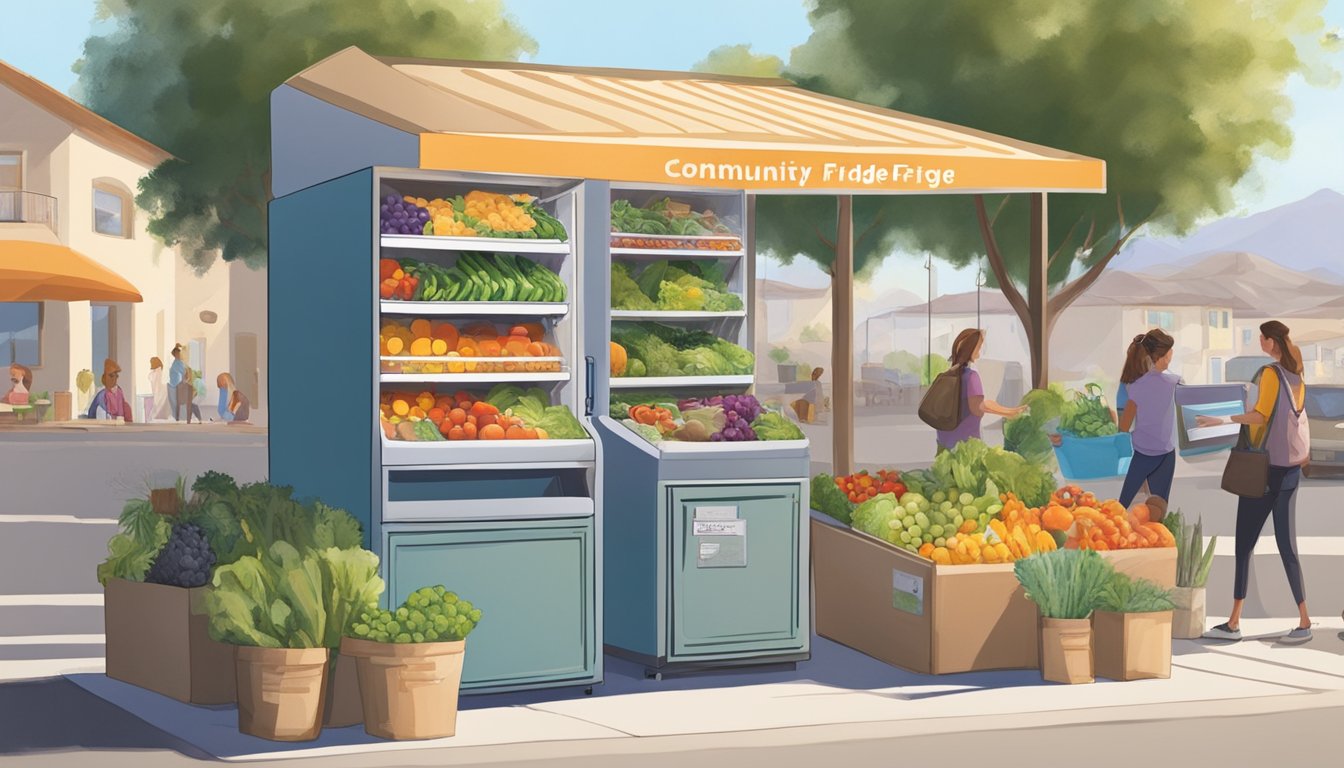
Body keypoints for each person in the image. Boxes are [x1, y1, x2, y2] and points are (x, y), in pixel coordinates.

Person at [1198, 320, 1311, 641]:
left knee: (1244, 544)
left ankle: (1233, 622)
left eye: (1262, 338)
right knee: (1288, 546)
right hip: (1289, 469)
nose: (1260, 341)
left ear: (1270, 341)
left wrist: (1220, 419)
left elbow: (1261, 415)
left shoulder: (1272, 374)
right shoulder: (1296, 374)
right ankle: (1304, 621)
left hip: (1264, 470)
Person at [1115, 329, 1181, 507]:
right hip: (1166, 452)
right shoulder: (1175, 382)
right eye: (1169, 353)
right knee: (1159, 506)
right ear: (1163, 356)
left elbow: (1124, 425)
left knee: (1124, 504)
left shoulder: (1133, 386)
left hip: (1143, 451)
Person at [935, 328, 1026, 451]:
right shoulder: (971, 377)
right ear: (970, 349)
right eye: (978, 347)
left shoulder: (946, 376)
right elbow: (980, 406)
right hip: (966, 444)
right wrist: (1010, 413)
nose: (979, 352)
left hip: (944, 443)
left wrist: (1010, 411)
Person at [167, 344, 187, 421]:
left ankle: (179, 418)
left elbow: (184, 373)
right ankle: (177, 418)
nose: (177, 355)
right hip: (173, 385)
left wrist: (183, 383)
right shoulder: (176, 362)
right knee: (174, 404)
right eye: (176, 353)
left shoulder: (179, 363)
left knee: (176, 404)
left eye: (178, 353)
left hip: (176, 386)